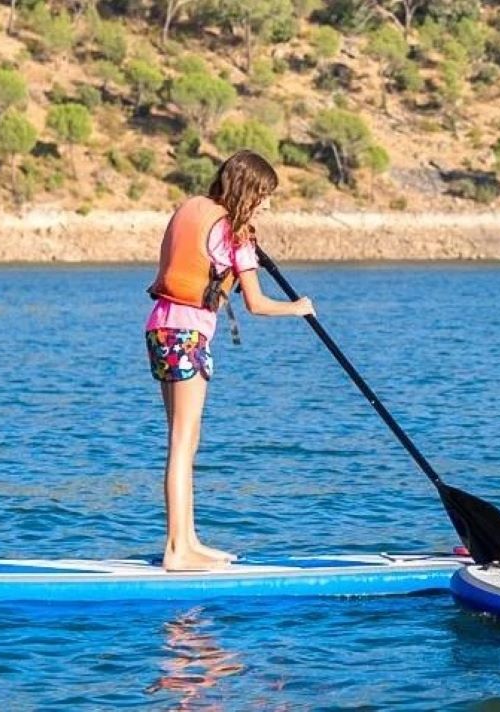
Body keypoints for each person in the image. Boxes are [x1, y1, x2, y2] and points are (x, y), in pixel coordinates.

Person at [144, 150, 314, 571]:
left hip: (160, 328)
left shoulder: (194, 209)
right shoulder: (235, 236)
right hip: (187, 334)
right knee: (183, 442)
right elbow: (255, 303)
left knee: (184, 439)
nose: (267, 205)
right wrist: (299, 308)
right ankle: (176, 551)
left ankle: (188, 540)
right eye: (264, 196)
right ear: (247, 190)